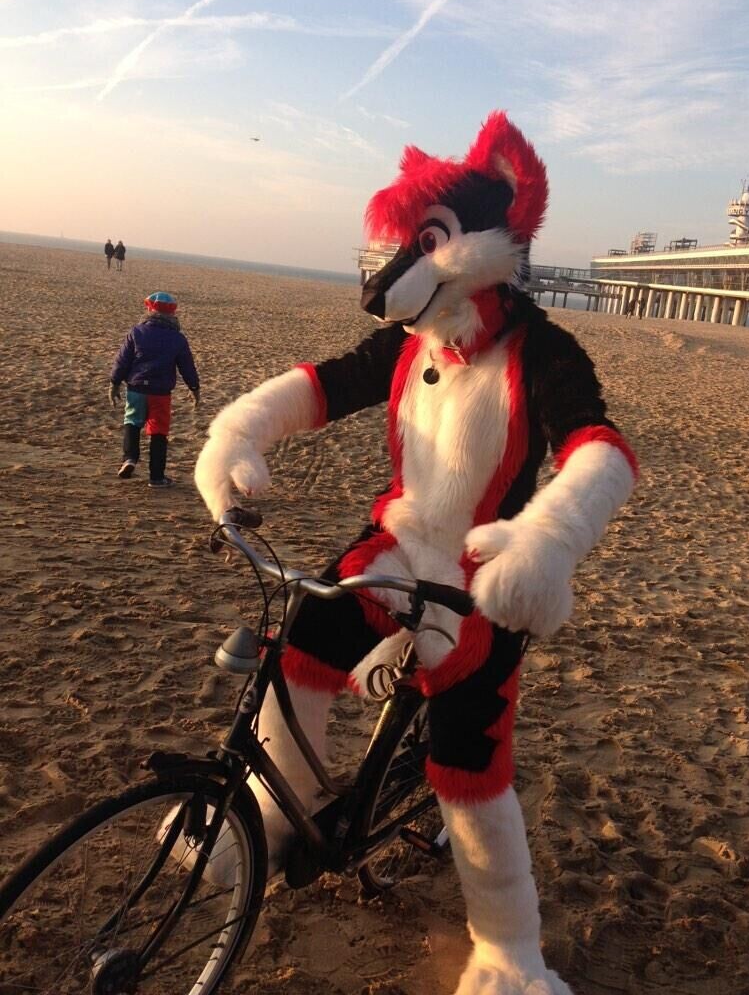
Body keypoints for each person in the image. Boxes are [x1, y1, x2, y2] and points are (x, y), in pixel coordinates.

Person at [194, 112, 638, 995]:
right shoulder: (413, 341)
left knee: (468, 767)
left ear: (491, 235)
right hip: (396, 545)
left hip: (483, 575)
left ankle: (509, 950)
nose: (396, 275)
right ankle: (274, 814)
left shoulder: (542, 351)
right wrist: (239, 430)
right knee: (301, 650)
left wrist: (550, 537)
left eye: (426, 242)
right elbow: (325, 384)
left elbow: (601, 447)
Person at [109, 291, 200, 487]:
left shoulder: (137, 332)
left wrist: (114, 383)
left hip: (136, 388)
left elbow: (122, 360)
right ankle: (157, 477)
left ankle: (130, 458)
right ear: (172, 313)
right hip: (160, 393)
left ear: (150, 310)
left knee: (132, 421)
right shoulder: (177, 338)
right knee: (159, 432)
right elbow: (187, 366)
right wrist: (194, 387)